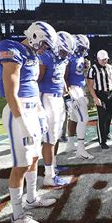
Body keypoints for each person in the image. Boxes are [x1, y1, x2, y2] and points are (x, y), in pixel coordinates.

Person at [0, 21, 58, 223]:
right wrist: (21, 122)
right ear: (34, 36)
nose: (44, 49)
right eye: (43, 44)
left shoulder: (32, 54)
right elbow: (11, 92)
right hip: (19, 112)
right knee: (21, 164)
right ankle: (17, 215)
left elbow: (32, 84)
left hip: (34, 110)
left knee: (34, 158)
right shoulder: (11, 49)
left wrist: (41, 111)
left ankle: (31, 199)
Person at [38, 30, 75, 186]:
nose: (66, 54)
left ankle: (52, 166)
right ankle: (49, 175)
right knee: (49, 138)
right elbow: (36, 79)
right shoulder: (45, 56)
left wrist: (67, 92)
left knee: (57, 135)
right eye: (64, 51)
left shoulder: (62, 59)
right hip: (46, 97)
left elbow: (61, 78)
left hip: (58, 98)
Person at [65, 34, 94, 159]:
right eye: (82, 48)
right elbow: (64, 76)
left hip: (79, 88)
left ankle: (70, 144)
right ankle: (80, 149)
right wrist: (67, 94)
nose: (84, 50)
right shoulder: (69, 57)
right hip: (73, 89)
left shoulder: (80, 57)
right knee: (84, 118)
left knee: (74, 118)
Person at [87, 50, 112, 149]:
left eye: (106, 59)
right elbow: (90, 85)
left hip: (109, 94)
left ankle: (107, 133)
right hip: (100, 94)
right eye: (103, 59)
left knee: (109, 116)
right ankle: (102, 141)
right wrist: (95, 98)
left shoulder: (110, 67)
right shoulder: (93, 69)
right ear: (98, 59)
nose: (105, 61)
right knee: (102, 118)